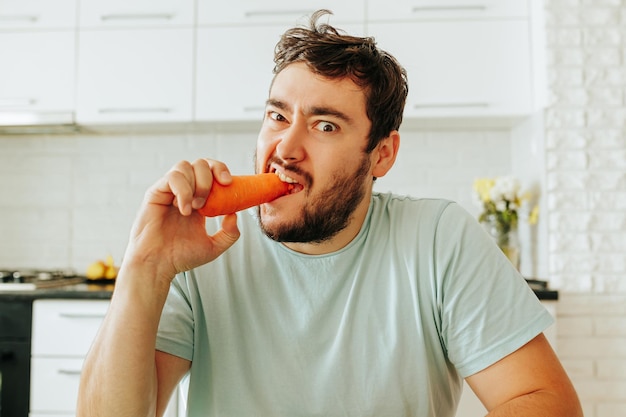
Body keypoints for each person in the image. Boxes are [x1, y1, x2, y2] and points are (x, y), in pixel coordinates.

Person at [77, 9, 582, 417]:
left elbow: (543, 401)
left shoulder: (437, 239)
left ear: (381, 154)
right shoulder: (201, 250)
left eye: (324, 126)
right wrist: (144, 267)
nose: (285, 148)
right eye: (277, 116)